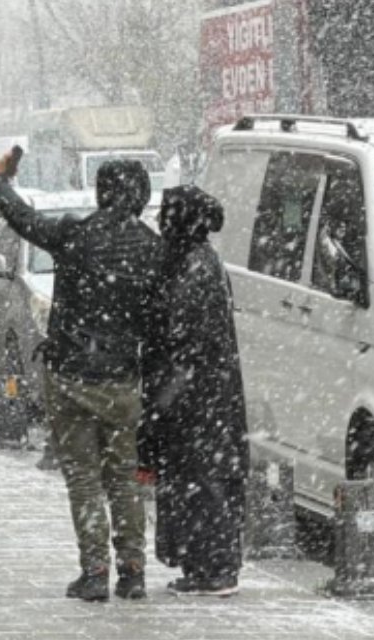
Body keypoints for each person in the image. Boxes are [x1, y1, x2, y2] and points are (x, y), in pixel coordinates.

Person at [0, 148, 162, 602]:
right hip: (122, 379)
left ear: (102, 193)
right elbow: (159, 320)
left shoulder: (74, 235)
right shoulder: (151, 249)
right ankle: (134, 569)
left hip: (70, 374)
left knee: (84, 478)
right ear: (141, 195)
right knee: (123, 476)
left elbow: (24, 219)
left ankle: (95, 570)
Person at [139, 185, 248, 597]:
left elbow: (184, 342)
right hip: (205, 396)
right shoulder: (198, 262)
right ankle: (205, 564)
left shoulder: (194, 270)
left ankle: (214, 567)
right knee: (201, 479)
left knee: (203, 481)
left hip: (199, 400)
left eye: (168, 216)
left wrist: (164, 399)